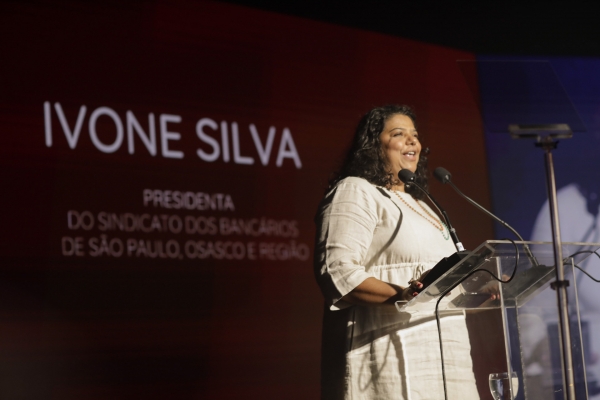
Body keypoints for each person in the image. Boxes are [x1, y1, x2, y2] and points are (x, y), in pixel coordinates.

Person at [314, 105, 478, 399]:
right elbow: (338, 273)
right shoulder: (356, 190)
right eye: (399, 134)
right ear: (373, 146)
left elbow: (442, 282)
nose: (413, 141)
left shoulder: (423, 204)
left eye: (415, 136)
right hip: (390, 358)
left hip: (449, 361)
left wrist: (479, 288)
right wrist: (402, 295)